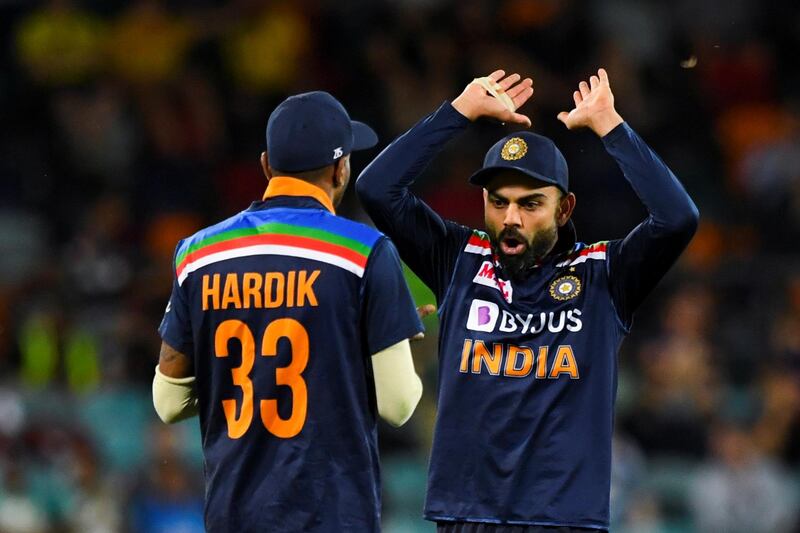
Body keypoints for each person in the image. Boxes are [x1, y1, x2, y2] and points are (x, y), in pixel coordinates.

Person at [356, 69, 699, 532]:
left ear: (565, 208)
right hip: (464, 516)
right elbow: (377, 187)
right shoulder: (458, 259)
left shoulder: (604, 273)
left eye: (530, 203)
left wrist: (609, 126)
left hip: (561, 520)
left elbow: (677, 219)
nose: (510, 218)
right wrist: (459, 113)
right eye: (498, 202)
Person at [152, 91, 425, 532]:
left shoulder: (197, 254)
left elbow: (168, 403)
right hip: (332, 517)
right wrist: (382, 336)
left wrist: (254, 381)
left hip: (233, 516)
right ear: (341, 169)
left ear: (265, 165)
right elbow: (398, 405)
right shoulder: (365, 254)